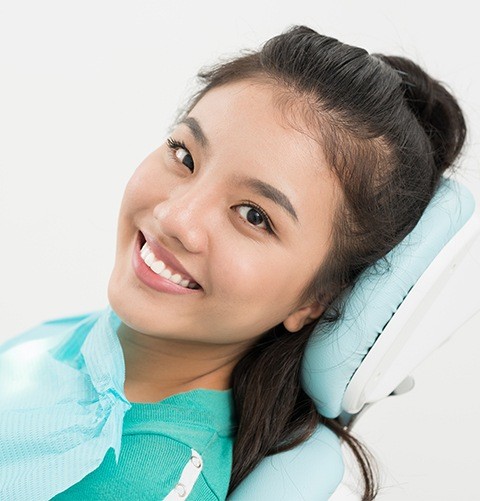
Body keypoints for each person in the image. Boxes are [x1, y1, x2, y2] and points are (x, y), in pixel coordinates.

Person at [0, 25, 466, 500]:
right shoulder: (92, 343)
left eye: (254, 216)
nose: (173, 217)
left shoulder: (153, 480)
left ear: (315, 299)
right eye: (184, 156)